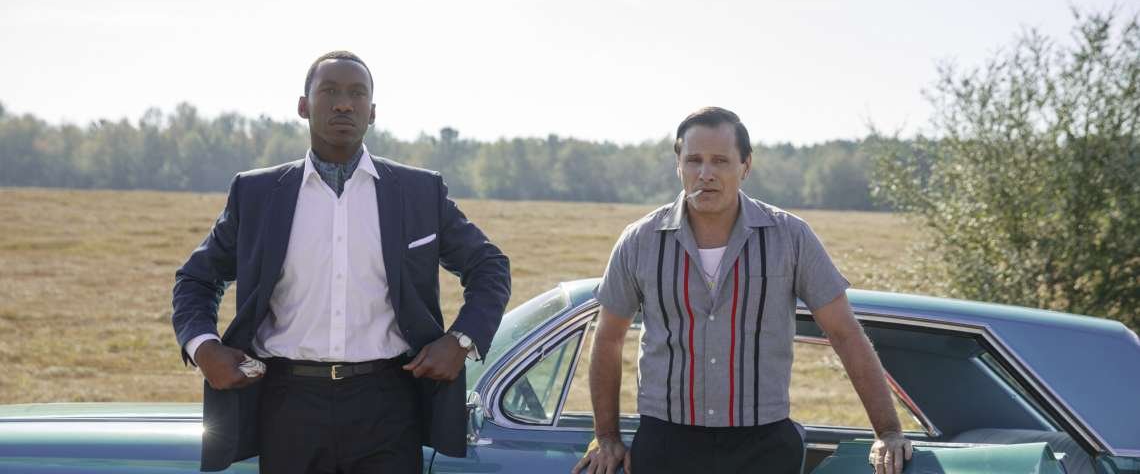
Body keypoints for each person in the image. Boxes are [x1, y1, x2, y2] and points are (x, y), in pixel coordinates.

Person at [171, 50, 510, 473]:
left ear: (372, 112)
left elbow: (489, 267)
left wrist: (460, 341)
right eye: (329, 91)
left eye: (357, 94)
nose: (344, 104)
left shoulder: (419, 192)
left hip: (388, 406)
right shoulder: (256, 194)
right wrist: (204, 348)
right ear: (303, 106)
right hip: (288, 407)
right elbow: (196, 280)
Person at [573, 107, 912, 474]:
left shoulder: (791, 237)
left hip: (763, 446)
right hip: (665, 443)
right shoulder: (639, 241)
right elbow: (608, 338)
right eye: (694, 160)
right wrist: (607, 436)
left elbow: (845, 333)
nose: (705, 174)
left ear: (745, 166)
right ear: (678, 165)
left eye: (720, 161)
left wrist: (888, 432)